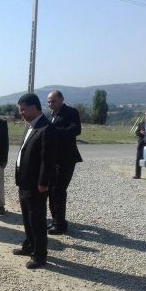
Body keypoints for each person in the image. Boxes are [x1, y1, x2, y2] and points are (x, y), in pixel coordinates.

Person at [13, 93, 56, 269]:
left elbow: (48, 159)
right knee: (27, 217)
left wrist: (43, 183)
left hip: (36, 185)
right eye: (20, 109)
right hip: (24, 182)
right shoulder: (30, 126)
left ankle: (39, 256)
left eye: (23, 109)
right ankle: (29, 245)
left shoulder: (46, 129)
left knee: (37, 220)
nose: (21, 113)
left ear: (33, 107)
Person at [46, 90, 83, 235]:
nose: (50, 104)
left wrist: (53, 131)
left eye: (53, 101)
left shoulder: (71, 112)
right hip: (52, 159)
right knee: (50, 190)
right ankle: (56, 221)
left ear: (61, 99)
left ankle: (60, 225)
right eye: (48, 102)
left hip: (66, 159)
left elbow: (75, 129)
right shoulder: (49, 115)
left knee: (58, 191)